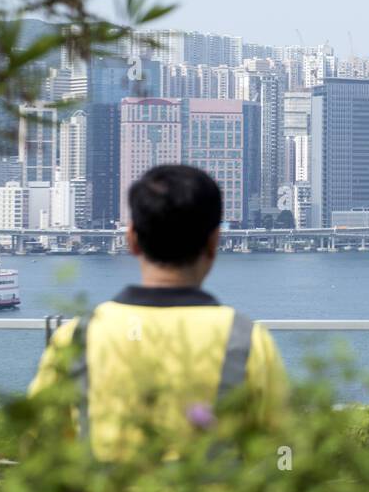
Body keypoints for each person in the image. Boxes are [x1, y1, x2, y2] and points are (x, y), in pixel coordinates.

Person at [28, 164, 288, 461]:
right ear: (215, 242)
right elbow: (278, 452)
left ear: (132, 240)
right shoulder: (248, 341)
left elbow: (38, 452)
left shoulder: (76, 337)